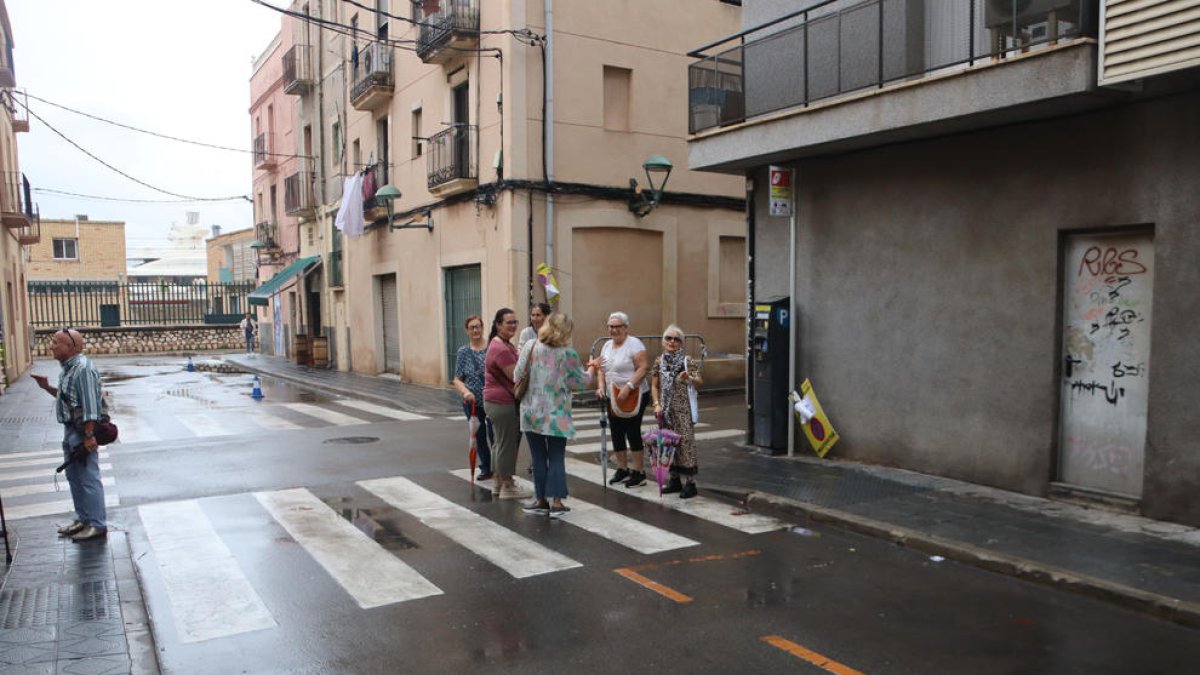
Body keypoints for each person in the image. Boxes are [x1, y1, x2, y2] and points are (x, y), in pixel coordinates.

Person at [514, 313, 599, 517]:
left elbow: (517, 375)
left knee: (538, 457)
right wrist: (592, 368)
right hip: (557, 414)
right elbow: (581, 382)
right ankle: (557, 503)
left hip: (531, 412)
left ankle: (540, 500)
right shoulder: (567, 354)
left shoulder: (530, 346)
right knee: (556, 457)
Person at [30, 329, 109, 541]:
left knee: (88, 477)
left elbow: (91, 405)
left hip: (83, 431)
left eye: (56, 343)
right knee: (74, 476)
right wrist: (46, 387)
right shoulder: (68, 368)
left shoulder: (83, 369)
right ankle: (83, 519)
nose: (51, 346)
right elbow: (69, 399)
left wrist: (89, 435)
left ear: (71, 347)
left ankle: (97, 524)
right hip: (71, 429)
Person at [595, 311, 650, 488]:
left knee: (632, 430)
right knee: (616, 431)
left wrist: (629, 386)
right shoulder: (606, 346)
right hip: (613, 394)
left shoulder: (634, 344)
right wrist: (601, 386)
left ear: (625, 328)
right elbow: (601, 369)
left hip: (634, 393)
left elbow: (643, 368)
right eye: (610, 326)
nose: (613, 330)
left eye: (617, 326)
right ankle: (622, 468)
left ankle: (639, 471)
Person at [651, 324, 704, 498]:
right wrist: (656, 403)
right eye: (668, 338)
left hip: (683, 410)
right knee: (667, 444)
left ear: (681, 343)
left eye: (676, 339)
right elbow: (654, 384)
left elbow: (700, 382)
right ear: (663, 341)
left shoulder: (687, 361)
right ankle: (674, 480)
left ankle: (690, 483)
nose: (672, 342)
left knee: (685, 445)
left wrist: (688, 377)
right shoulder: (659, 361)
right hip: (666, 411)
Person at [483, 308, 529, 500]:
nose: (512, 326)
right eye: (508, 322)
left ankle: (498, 482)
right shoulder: (501, 349)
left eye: (514, 322)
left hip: (495, 401)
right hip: (503, 402)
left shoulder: (499, 344)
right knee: (506, 445)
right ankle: (507, 485)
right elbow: (515, 377)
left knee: (499, 444)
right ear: (498, 324)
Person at [452, 315, 494, 481]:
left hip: (492, 400)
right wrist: (465, 392)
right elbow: (457, 378)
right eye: (472, 327)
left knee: (495, 435)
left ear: (483, 328)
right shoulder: (463, 352)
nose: (476, 330)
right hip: (472, 402)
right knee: (479, 435)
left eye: (478, 326)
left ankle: (499, 468)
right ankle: (486, 468)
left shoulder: (492, 347)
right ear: (467, 331)